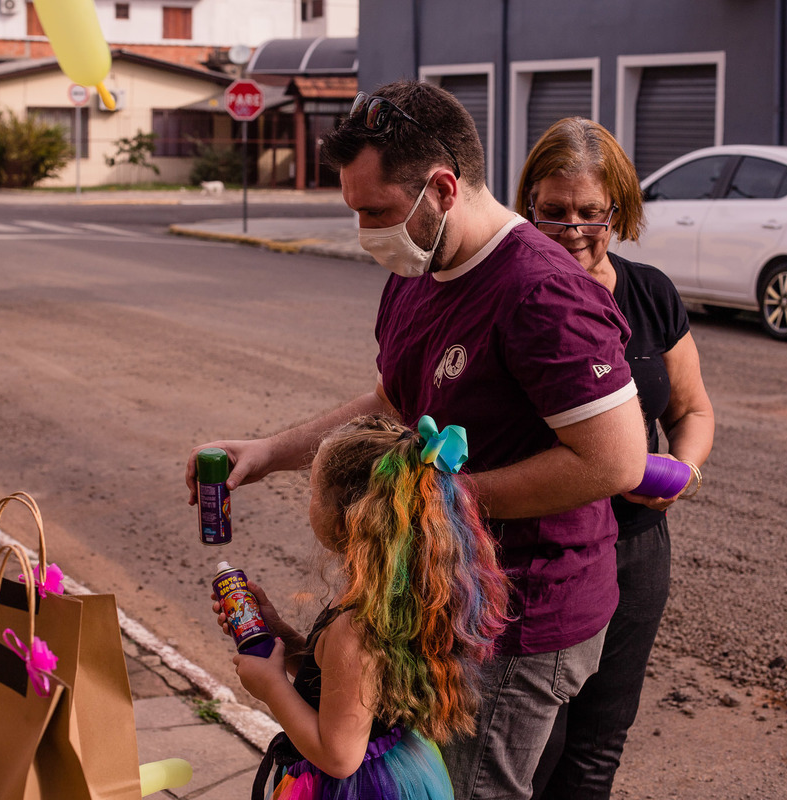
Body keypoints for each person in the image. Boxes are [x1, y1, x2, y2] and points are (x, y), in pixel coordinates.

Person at [187, 80, 648, 799]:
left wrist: (432, 497)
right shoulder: (418, 270)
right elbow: (394, 399)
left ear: (441, 188)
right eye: (354, 210)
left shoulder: (541, 292)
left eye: (376, 210)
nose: (365, 230)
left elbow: (614, 460)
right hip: (441, 600)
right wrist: (268, 453)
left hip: (519, 619)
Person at [514, 117, 715, 800]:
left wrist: (683, 469)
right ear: (527, 206)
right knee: (534, 744)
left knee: (599, 745)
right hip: (541, 556)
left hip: (634, 549)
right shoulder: (518, 295)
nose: (572, 228)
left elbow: (690, 410)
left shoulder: (651, 293)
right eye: (553, 212)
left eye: (590, 213)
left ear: (618, 211)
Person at [212, 414, 509, 799]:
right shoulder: (385, 593)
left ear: (348, 518)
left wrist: (270, 687)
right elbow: (344, 688)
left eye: (315, 490)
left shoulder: (355, 626)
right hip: (396, 766)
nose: (310, 500)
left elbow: (339, 757)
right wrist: (280, 634)